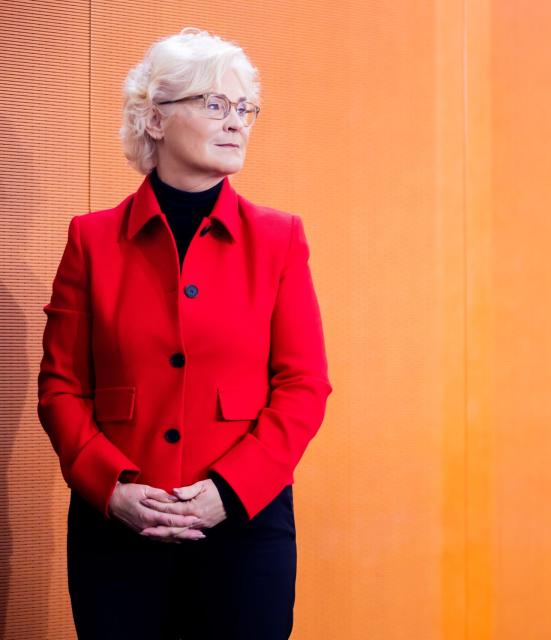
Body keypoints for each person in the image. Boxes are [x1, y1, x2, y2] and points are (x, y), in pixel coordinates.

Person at [36, 27, 332, 639]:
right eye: (214, 103)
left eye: (245, 108)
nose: (237, 122)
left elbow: (304, 386)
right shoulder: (91, 240)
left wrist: (229, 490)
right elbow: (60, 386)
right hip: (116, 530)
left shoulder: (279, 238)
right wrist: (111, 487)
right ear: (154, 119)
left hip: (245, 528)